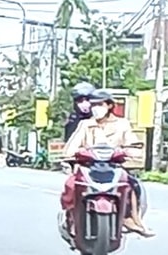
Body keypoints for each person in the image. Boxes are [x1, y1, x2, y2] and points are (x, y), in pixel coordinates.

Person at [63, 93, 154, 236]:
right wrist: (76, 152)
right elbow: (71, 148)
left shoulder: (122, 124)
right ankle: (73, 219)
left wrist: (129, 151)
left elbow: (132, 144)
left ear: (110, 105)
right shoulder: (86, 124)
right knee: (72, 185)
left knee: (132, 185)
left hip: (113, 167)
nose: (95, 108)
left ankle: (132, 219)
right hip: (88, 167)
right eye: (93, 105)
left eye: (100, 105)